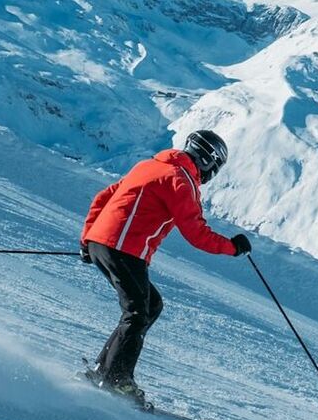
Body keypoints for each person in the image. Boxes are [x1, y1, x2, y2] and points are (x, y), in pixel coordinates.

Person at [79, 129, 249, 405]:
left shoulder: (149, 165)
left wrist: (88, 240)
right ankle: (117, 379)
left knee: (150, 305)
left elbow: (103, 197)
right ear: (209, 161)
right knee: (137, 312)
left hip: (105, 244)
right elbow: (196, 233)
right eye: (215, 168)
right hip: (124, 249)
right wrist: (232, 247)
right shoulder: (180, 180)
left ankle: (104, 370)